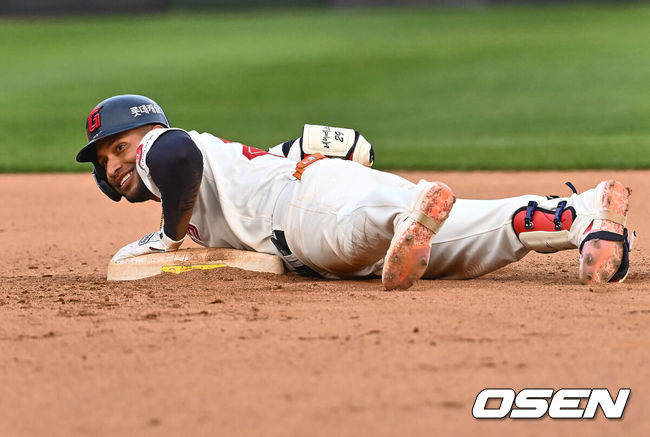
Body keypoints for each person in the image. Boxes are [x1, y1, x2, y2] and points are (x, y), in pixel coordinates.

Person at [76, 95, 633, 290]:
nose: (116, 164)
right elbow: (338, 148)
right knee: (479, 234)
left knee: (350, 230)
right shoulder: (229, 162)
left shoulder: (163, 148)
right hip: (321, 187)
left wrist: (171, 237)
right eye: (105, 160)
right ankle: (586, 216)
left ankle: (412, 211)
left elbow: (174, 156)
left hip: (303, 210)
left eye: (117, 147)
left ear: (143, 135)